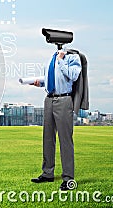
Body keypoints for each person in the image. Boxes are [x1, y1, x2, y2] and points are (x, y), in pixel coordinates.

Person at [31, 49, 81, 190]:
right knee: (48, 139)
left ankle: (68, 178)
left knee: (65, 140)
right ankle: (47, 173)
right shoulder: (51, 59)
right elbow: (52, 79)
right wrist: (39, 82)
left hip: (64, 99)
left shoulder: (72, 58)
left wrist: (61, 60)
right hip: (49, 100)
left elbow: (74, 75)